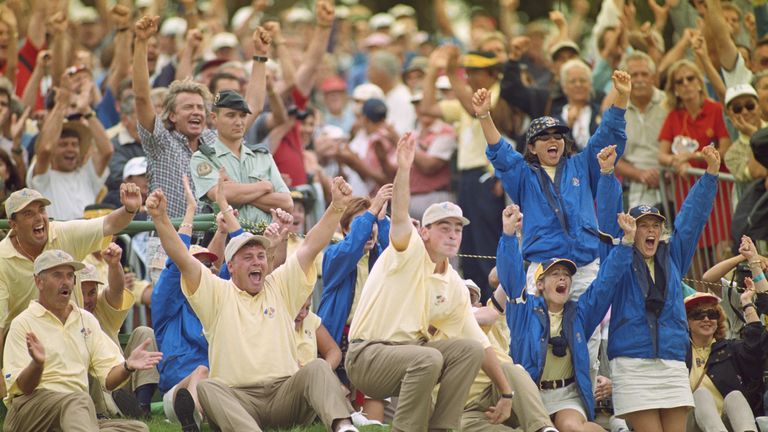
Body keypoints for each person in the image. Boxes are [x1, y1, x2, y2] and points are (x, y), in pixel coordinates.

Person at [145, 175, 360, 432]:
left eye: (261, 256)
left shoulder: (280, 286)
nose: (257, 261)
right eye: (248, 257)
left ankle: (344, 428)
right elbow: (182, 258)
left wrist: (337, 206)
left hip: (285, 394)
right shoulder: (217, 292)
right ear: (231, 266)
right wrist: (160, 219)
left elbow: (311, 246)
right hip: (239, 399)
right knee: (207, 386)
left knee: (317, 368)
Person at [346, 133, 514, 432]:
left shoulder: (454, 284)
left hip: (412, 359)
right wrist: (404, 168)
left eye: (457, 230)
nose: (452, 234)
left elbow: (480, 342)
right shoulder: (408, 251)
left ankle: (442, 429)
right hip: (366, 356)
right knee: (428, 356)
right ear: (424, 232)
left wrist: (506, 392)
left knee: (468, 350)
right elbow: (399, 214)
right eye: (443, 228)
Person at [599, 146, 722, 432]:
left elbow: (691, 221)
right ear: (631, 228)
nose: (650, 230)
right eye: (643, 225)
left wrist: (711, 176)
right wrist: (607, 176)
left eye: (655, 225)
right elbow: (606, 223)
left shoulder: (672, 255)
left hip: (671, 359)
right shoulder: (618, 257)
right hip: (632, 361)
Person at [478, 70, 630, 299]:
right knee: (543, 333)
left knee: (592, 335)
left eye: (558, 136)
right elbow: (500, 152)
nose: (553, 140)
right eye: (545, 137)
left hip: (585, 267)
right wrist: (484, 116)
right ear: (531, 147)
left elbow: (607, 135)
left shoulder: (582, 165)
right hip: (544, 268)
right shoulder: (523, 175)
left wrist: (622, 98)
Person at [498, 201, 635, 432]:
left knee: (573, 427)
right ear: (539, 284)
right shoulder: (524, 310)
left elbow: (604, 283)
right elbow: (511, 277)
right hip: (530, 394)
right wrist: (509, 235)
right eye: (555, 274)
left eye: (566, 275)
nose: (563, 278)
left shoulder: (580, 313)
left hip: (566, 395)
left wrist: (626, 244)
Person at [0, 184, 143, 395]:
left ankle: (106, 406)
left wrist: (130, 209)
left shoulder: (62, 232)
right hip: (25, 340)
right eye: (28, 213)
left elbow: (110, 224)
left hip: (72, 329)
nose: (39, 218)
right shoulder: (2, 260)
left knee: (136, 429)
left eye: (41, 210)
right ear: (13, 223)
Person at [2, 249, 162, 432]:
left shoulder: (86, 320)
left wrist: (128, 366)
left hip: (76, 412)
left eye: (70, 276)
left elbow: (109, 380)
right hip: (29, 411)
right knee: (78, 400)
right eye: (57, 275)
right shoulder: (23, 323)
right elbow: (24, 387)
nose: (66, 281)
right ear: (39, 281)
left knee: (139, 429)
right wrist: (37, 364)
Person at [317, 186, 392, 423]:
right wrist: (372, 211)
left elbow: (394, 253)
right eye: (361, 223)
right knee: (342, 401)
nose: (369, 230)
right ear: (346, 229)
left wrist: (382, 220)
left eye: (372, 224)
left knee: (373, 411)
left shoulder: (380, 257)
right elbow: (352, 248)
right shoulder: (334, 255)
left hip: (371, 340)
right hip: (337, 339)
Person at [80, 243, 160, 419]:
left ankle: (142, 407)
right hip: (91, 387)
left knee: (145, 333)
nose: (87, 299)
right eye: (81, 292)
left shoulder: (100, 305)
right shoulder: (65, 313)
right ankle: (103, 411)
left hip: (120, 376)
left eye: (92, 292)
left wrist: (115, 265)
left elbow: (115, 291)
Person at [190, 89, 291, 224]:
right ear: (214, 118)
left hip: (265, 238)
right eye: (231, 115)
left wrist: (235, 192)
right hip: (227, 239)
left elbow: (286, 203)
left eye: (243, 115)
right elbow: (219, 195)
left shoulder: (262, 155)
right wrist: (264, 187)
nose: (239, 122)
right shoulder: (203, 157)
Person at [684, 288, 767, 432]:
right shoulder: (677, 353)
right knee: (701, 395)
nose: (706, 319)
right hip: (691, 423)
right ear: (686, 321)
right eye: (697, 314)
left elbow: (756, 345)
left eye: (712, 314)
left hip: (729, 423)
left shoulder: (729, 349)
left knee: (735, 395)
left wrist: (747, 303)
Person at [28, 84, 113, 221]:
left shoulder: (87, 174)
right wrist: (61, 105)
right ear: (53, 152)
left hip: (90, 239)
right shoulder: (43, 177)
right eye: (63, 144)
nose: (71, 149)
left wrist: (86, 109)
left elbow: (107, 150)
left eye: (75, 144)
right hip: (58, 240)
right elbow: (45, 149)